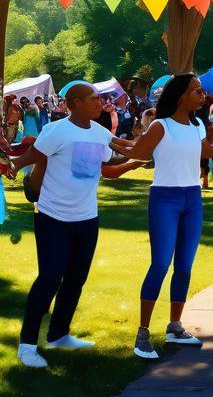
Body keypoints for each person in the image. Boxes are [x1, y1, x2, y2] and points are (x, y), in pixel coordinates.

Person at [16, 81, 143, 369]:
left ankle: (59, 334)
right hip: (52, 218)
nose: (100, 103)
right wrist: (12, 165)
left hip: (86, 219)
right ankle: (27, 345)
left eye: (99, 99)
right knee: (50, 278)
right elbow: (29, 158)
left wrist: (140, 157)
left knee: (76, 278)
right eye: (93, 99)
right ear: (74, 104)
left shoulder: (100, 132)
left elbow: (110, 164)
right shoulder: (55, 131)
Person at [119, 73, 213, 360]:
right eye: (197, 91)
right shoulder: (161, 125)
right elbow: (140, 152)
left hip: (192, 198)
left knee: (184, 266)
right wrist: (110, 144)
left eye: (202, 91)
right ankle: (142, 334)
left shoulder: (196, 126)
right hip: (165, 198)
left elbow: (211, 150)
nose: (203, 95)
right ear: (181, 95)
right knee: (160, 264)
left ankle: (175, 326)